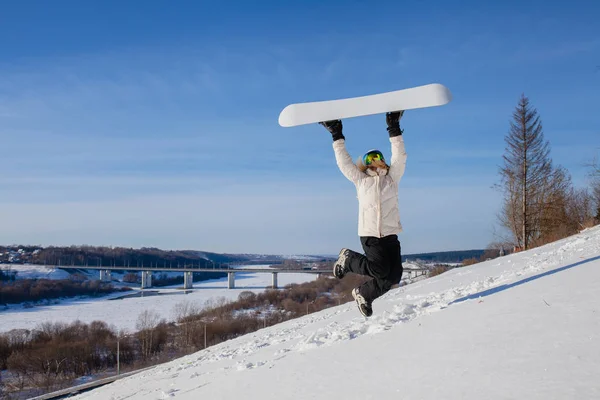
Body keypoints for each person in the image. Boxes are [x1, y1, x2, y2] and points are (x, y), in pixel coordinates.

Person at [319, 111, 407, 317]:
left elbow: (400, 156)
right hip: (370, 234)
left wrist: (393, 127)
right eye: (370, 158)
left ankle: (364, 294)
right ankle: (348, 259)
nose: (375, 161)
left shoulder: (392, 178)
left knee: (394, 276)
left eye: (378, 156)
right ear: (366, 163)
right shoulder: (361, 181)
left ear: (384, 161)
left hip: (390, 234)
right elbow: (344, 163)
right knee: (379, 270)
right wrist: (336, 134)